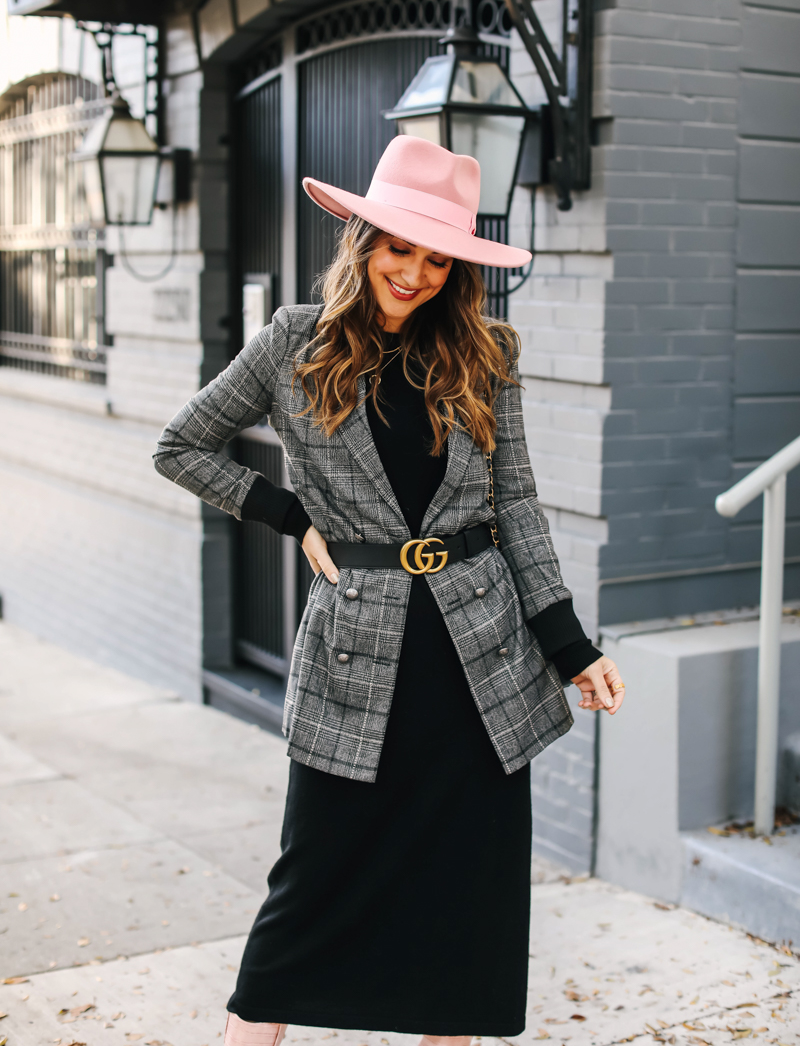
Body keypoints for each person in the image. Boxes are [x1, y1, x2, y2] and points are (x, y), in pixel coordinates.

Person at [153, 135, 626, 1046]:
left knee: (467, 897)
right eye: (399, 247)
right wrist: (295, 519)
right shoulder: (296, 340)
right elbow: (182, 446)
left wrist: (573, 647)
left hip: (480, 659)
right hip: (358, 653)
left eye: (438, 256)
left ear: (459, 267)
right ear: (363, 239)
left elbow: (515, 502)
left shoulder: (489, 353)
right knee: (312, 879)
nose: (414, 272)